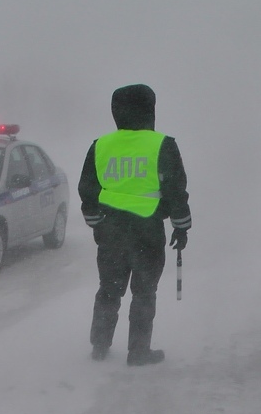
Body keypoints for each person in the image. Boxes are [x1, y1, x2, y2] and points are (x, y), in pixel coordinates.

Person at [79, 84, 191, 366]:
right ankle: (138, 351)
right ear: (150, 110)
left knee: (109, 289)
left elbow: (87, 190)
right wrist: (181, 226)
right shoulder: (162, 144)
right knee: (144, 292)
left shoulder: (101, 145)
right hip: (147, 230)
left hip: (111, 231)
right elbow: (176, 190)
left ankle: (100, 346)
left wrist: (96, 224)